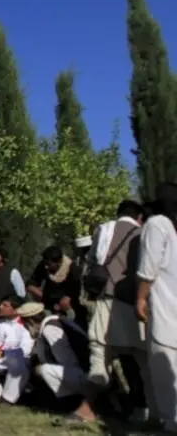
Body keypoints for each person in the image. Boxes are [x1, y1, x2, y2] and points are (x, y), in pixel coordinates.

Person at [76, 199, 154, 425]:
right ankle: (150, 410)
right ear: (139, 217)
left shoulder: (103, 229)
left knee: (100, 355)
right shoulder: (142, 233)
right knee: (141, 358)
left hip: (106, 301)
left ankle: (89, 408)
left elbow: (91, 262)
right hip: (134, 303)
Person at [137, 184, 177, 433]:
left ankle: (171, 420)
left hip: (164, 305)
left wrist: (141, 298)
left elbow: (148, 268)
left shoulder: (157, 225)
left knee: (164, 366)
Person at [19, 303, 89, 404]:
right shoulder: (52, 323)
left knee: (43, 369)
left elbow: (67, 361)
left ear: (30, 320)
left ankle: (70, 401)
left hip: (83, 374)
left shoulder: (50, 329)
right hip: (81, 372)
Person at [26, 245, 87, 329]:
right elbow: (34, 280)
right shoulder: (44, 266)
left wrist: (68, 298)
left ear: (58, 262)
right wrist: (33, 289)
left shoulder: (73, 269)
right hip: (48, 304)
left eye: (49, 264)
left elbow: (76, 290)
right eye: (45, 263)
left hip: (68, 309)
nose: (46, 267)